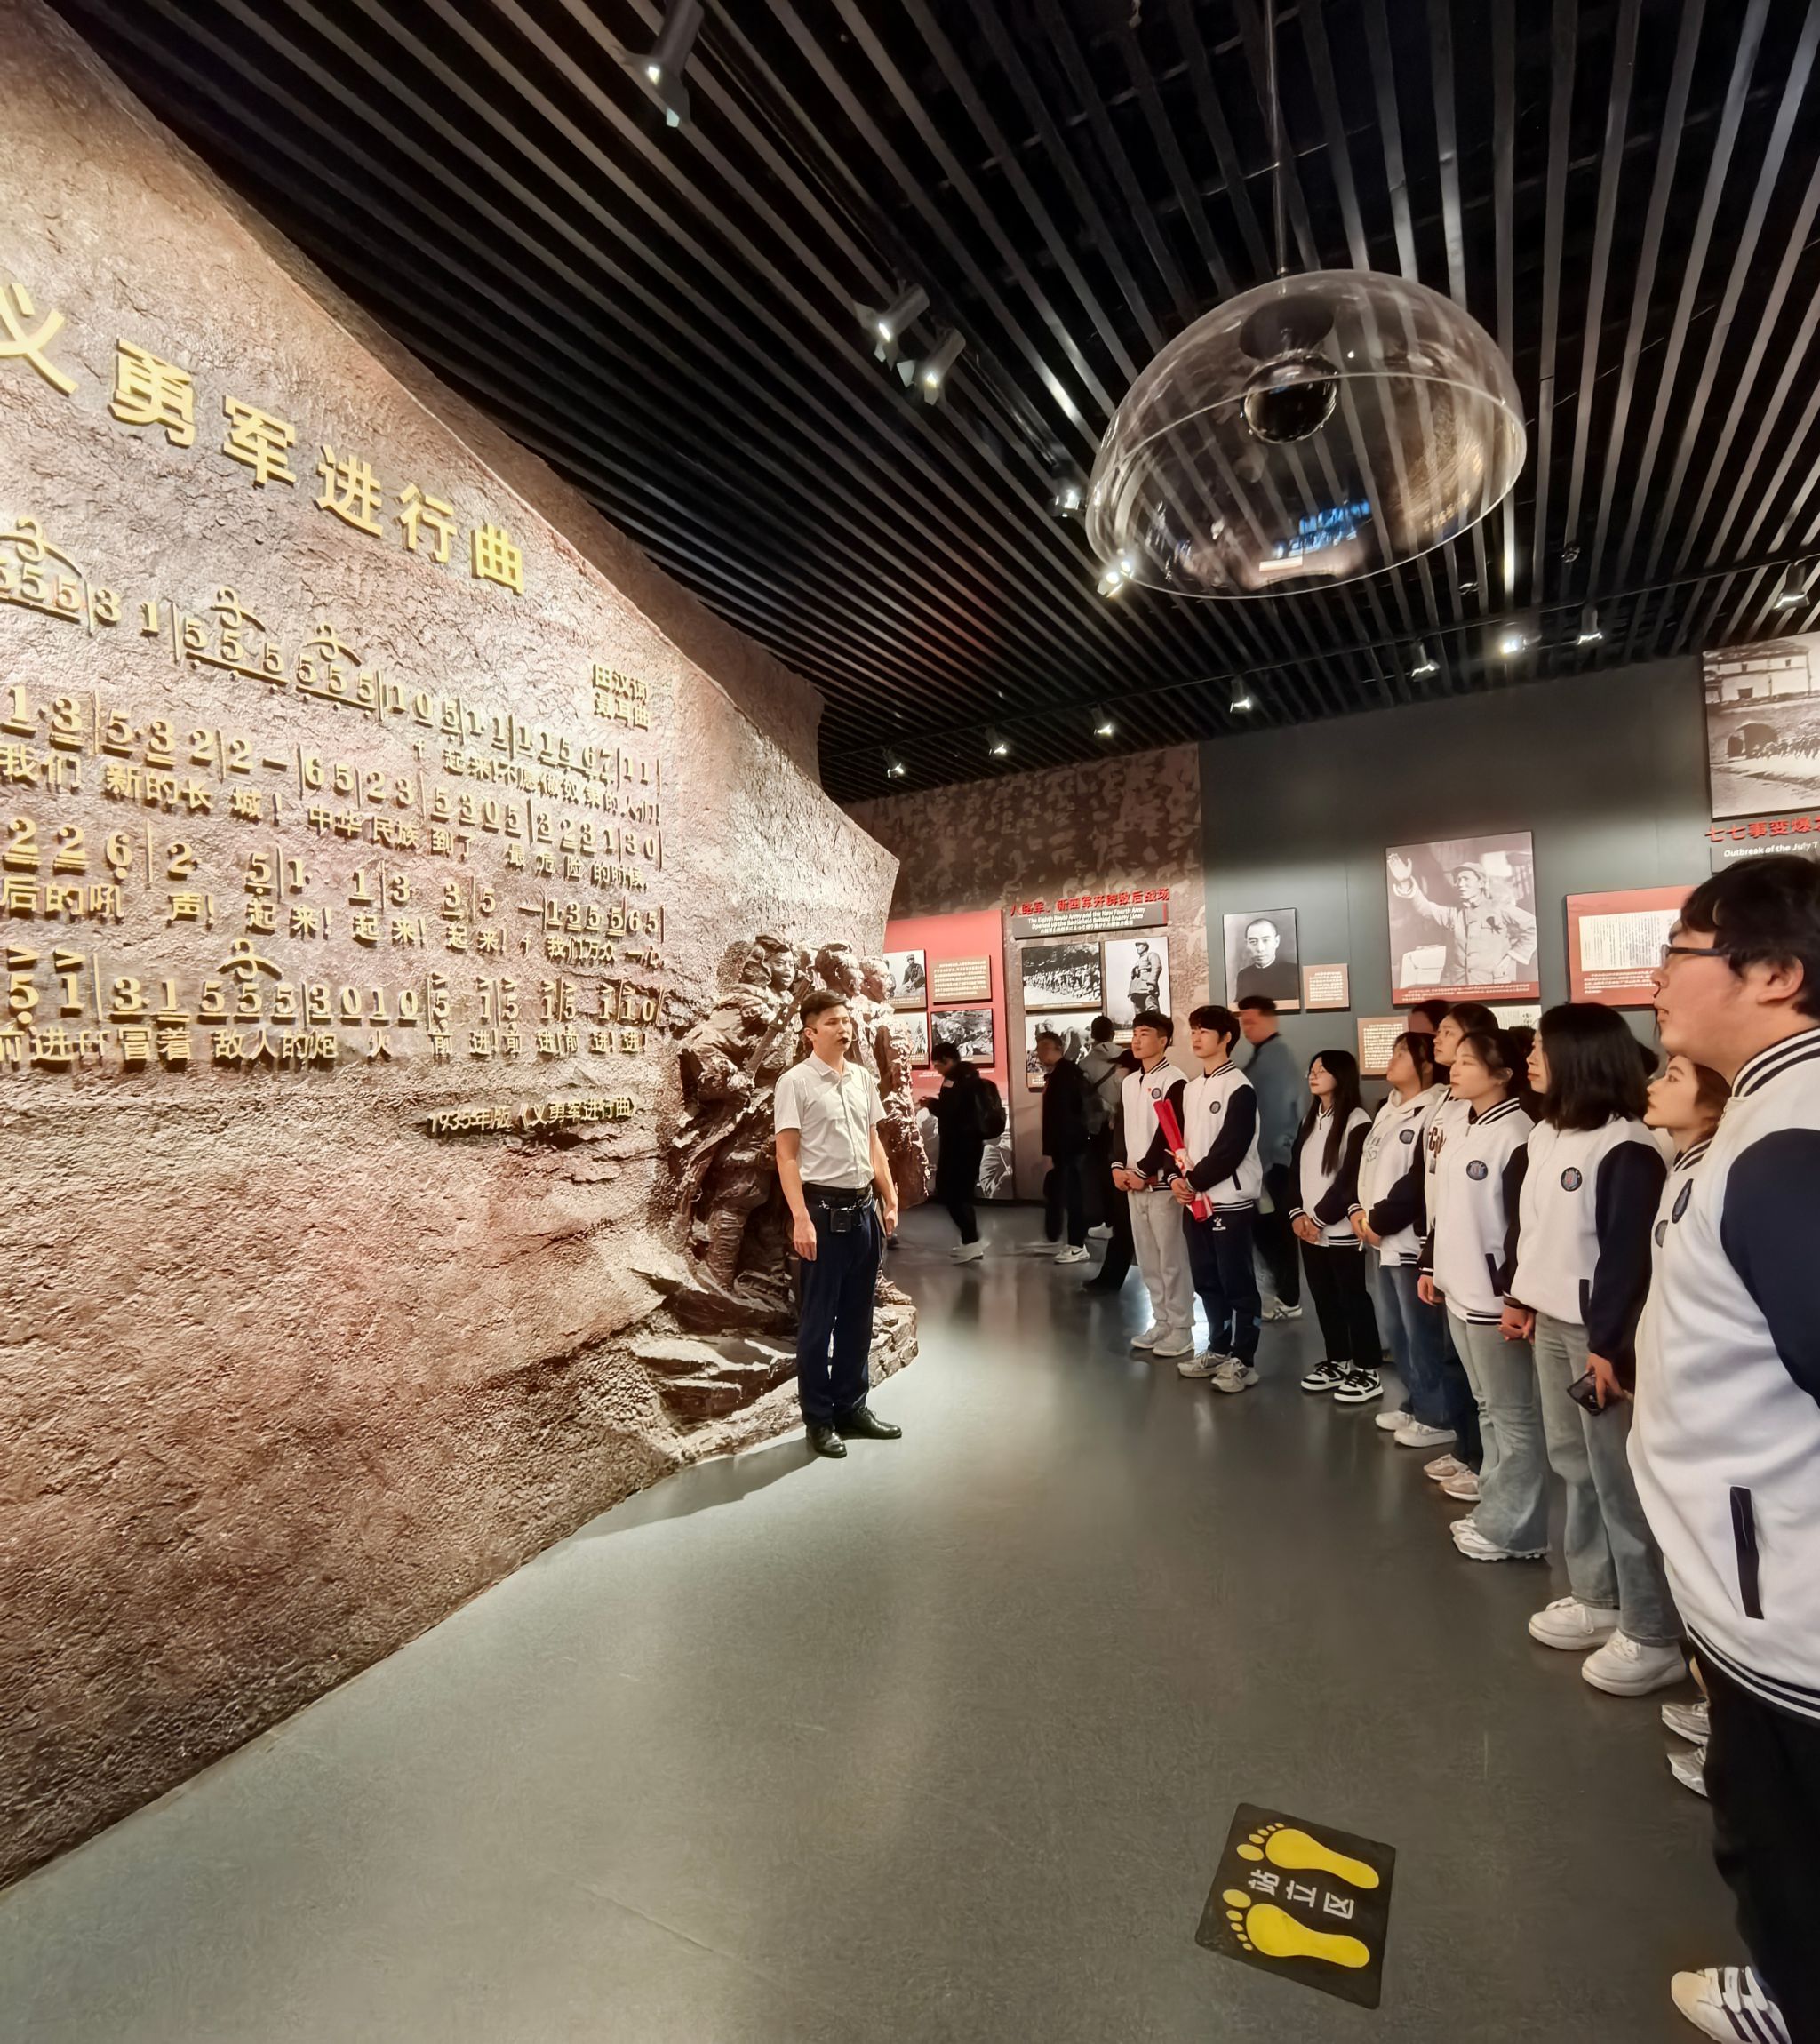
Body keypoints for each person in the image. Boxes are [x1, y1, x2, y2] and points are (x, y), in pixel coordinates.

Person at [1629, 856, 1820, 2044]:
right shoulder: (1761, 1112)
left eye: (1679, 952)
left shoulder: (1786, 1138)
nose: (1655, 978)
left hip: (1786, 1601)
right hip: (1759, 1579)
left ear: (1775, 973)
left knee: (1784, 1844)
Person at [1501, 1007, 1680, 1695]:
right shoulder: (1547, 1132)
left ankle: (1652, 1629)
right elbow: (1534, 1231)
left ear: (1581, 1057)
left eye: (1542, 1048)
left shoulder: (1628, 1147)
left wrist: (1609, 1345)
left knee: (1617, 1480)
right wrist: (1520, 1295)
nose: (1529, 1058)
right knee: (1573, 1466)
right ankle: (1597, 1596)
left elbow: (1627, 1258)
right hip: (1551, 1321)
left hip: (1597, 1336)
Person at [1418, 1028, 1547, 1561]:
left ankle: (1518, 1530)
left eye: (1469, 1062)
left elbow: (1524, 1225)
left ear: (1503, 1074)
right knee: (1487, 1407)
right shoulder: (1465, 1124)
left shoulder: (1517, 1134)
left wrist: (1514, 1293)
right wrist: (1432, 1264)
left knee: (1512, 1416)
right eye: (1458, 1060)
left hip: (1495, 1298)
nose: (1455, 1068)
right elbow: (1444, 1207)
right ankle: (1497, 1508)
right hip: (1460, 1287)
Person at [773, 988, 903, 1460]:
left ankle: (852, 1406)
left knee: (857, 1316)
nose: (843, 1028)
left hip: (864, 1211)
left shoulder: (862, 1079)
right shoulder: (795, 1083)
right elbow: (787, 1157)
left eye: (846, 1020)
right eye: (832, 1022)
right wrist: (801, 1218)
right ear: (810, 1032)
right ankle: (819, 1418)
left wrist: (889, 1197)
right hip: (823, 1215)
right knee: (817, 1323)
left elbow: (873, 1144)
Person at [1412, 1002, 1501, 1496]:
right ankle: (1467, 1450)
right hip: (1447, 1256)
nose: (1437, 1041)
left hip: (1484, 1277)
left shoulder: (1505, 1126)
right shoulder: (1451, 1104)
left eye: (1449, 1034)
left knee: (1493, 1394)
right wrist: (1433, 1258)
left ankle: (1485, 1466)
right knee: (1457, 1367)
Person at [1350, 1030, 1454, 1447]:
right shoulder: (1388, 1108)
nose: (1391, 1061)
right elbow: (1368, 1167)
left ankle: (1437, 1415)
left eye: (1401, 1054)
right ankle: (1416, 1401)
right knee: (1398, 1331)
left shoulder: (1435, 1109)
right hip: (1378, 1238)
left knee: (1422, 1333)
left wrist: (1381, 1221)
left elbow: (1416, 1181)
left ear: (1426, 1065)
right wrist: (1358, 1212)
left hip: (1408, 1240)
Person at [1169, 1004, 1263, 1394]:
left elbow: (1231, 1148)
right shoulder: (1192, 1088)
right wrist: (1177, 1179)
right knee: (1207, 1279)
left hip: (1230, 1200)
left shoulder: (1239, 1087)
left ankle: (1244, 1359)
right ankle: (1219, 1348)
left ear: (1226, 1038)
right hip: (1195, 1201)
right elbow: (1181, 1144)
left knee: (1237, 1282)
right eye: (1193, 1029)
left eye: (1205, 1030)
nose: (1196, 1037)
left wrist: (1194, 1181)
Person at [1289, 1049, 1384, 1402]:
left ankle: (1367, 1368)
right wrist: (1296, 1214)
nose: (1313, 1075)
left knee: (1352, 1297)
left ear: (1340, 1075)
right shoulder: (1310, 1118)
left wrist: (1318, 1218)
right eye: (1311, 1069)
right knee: (1323, 1297)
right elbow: (1295, 1170)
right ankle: (1338, 1360)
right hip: (1309, 1230)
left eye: (1322, 1070)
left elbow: (1349, 1179)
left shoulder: (1357, 1120)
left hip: (1340, 1229)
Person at [1114, 1010, 1194, 1359]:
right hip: (1133, 1183)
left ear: (1164, 1040)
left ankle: (1182, 1327)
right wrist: (1118, 1166)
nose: (1137, 1039)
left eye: (1145, 1033)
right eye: (1135, 1033)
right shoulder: (1130, 1081)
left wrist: (1146, 1168)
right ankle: (1161, 1320)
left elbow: (1169, 1132)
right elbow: (1121, 1127)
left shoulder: (1175, 1080)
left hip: (1161, 1184)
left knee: (1171, 1258)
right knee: (1147, 1259)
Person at [1236, 996, 1304, 1321]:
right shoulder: (1266, 1056)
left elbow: (1274, 1117)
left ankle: (1288, 1299)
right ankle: (1284, 1295)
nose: (1246, 1028)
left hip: (1271, 1164)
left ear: (1270, 1019)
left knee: (1275, 1232)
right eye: (1243, 1022)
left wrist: (1260, 1167)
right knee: (1269, 1232)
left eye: (1251, 1021)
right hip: (1267, 1163)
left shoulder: (1275, 1059)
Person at [1388, 850, 1538, 987]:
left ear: (1481, 883)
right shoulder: (1453, 914)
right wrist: (1405, 881)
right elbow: (1425, 908)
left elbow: (1534, 926)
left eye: (1466, 879)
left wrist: (1512, 956)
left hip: (1491, 985)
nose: (1460, 884)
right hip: (1456, 986)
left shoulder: (1499, 908)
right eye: (1458, 880)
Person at [1082, 1022, 1138, 1295]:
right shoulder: (1128, 1095)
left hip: (1136, 1172)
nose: (1118, 1074)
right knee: (1126, 1230)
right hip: (1128, 1169)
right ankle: (1110, 1279)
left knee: (1130, 1230)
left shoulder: (1087, 1062)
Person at [930, 1041, 990, 1265]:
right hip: (971, 1144)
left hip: (958, 1146)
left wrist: (932, 1105)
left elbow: (950, 1112)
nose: (937, 1070)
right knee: (961, 1194)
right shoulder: (971, 1077)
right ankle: (969, 1241)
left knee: (952, 1193)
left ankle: (972, 1241)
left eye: (938, 1065)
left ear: (947, 1060)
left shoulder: (954, 1080)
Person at [1035, 1027, 1090, 1264]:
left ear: (1056, 1048)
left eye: (1043, 1048)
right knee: (1067, 1194)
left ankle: (1077, 1245)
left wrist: (1053, 1151)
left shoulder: (1064, 1076)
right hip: (1069, 1147)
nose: (1039, 1053)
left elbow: (1062, 1118)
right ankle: (1073, 1241)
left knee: (1073, 1196)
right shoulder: (1063, 1073)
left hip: (1069, 1148)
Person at [1233, 915, 1298, 1003]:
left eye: (1266, 940)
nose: (1260, 948)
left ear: (1277, 942)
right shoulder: (1244, 975)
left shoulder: (1293, 971)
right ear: (1247, 944)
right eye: (1253, 942)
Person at [1125, 939, 1164, 1016]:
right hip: (1136, 991)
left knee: (1153, 1011)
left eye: (1139, 945)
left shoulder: (1152, 955)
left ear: (1145, 946)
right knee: (1139, 1016)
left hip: (1147, 988)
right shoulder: (1138, 962)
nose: (1137, 948)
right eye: (1137, 946)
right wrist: (1130, 992)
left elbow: (1157, 967)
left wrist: (1152, 984)